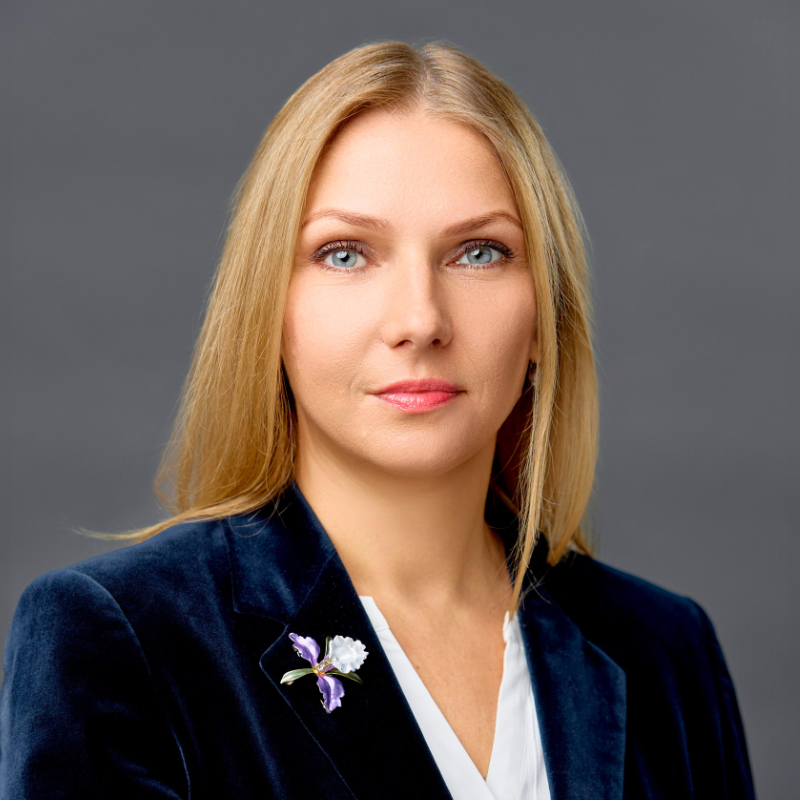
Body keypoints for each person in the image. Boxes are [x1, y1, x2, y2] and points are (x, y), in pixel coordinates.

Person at [0, 40, 756, 799]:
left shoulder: (665, 650)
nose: (420, 321)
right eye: (345, 255)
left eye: (479, 253)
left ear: (543, 316)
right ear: (269, 308)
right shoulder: (121, 638)